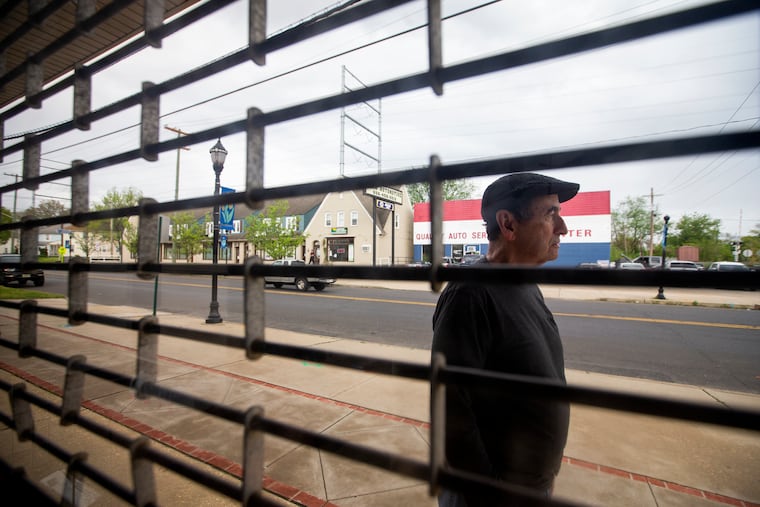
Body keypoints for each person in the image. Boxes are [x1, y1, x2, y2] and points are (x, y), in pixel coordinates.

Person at [431, 172, 579, 506]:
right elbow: (451, 410)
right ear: (508, 224)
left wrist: (542, 476)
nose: (563, 228)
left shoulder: (525, 286)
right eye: (550, 214)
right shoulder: (470, 294)